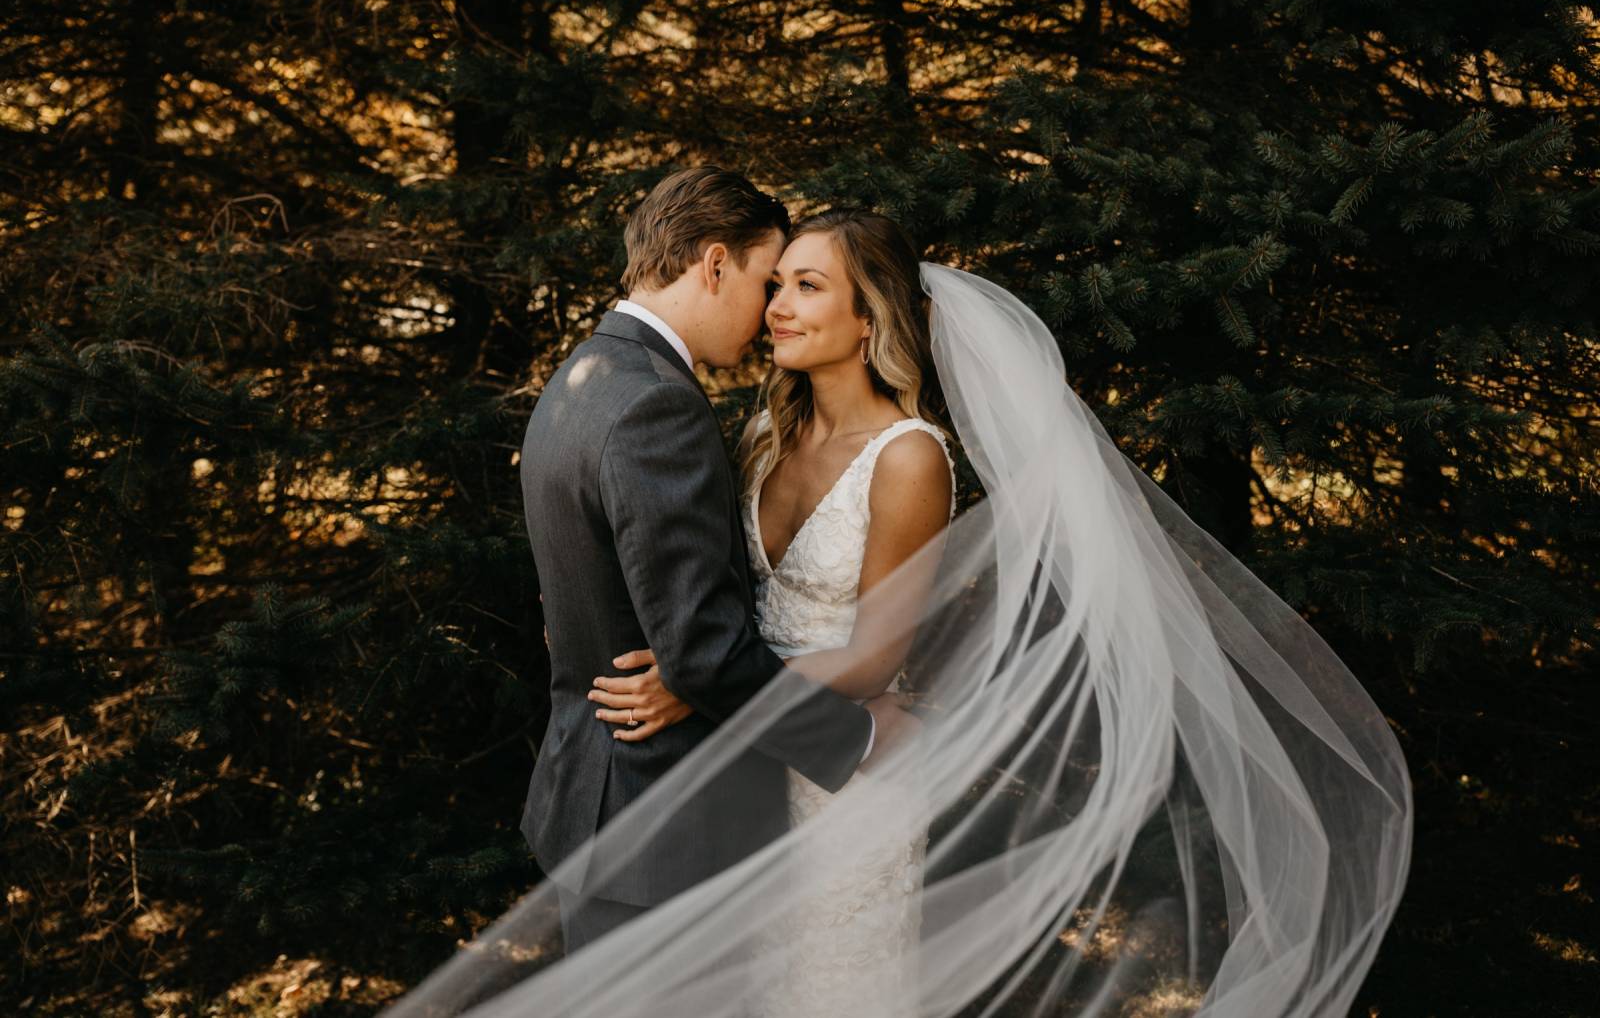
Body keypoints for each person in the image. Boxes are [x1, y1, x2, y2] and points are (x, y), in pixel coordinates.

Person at [382, 190, 1412, 1018]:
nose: (777, 305)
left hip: (831, 777)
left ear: (869, 314)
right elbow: (674, 587)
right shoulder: (756, 436)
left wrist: (699, 686)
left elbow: (873, 658)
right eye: (772, 282)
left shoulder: (909, 458)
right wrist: (688, 667)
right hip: (750, 766)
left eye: (805, 287)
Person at [511, 167, 918, 954]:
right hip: (665, 826)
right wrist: (860, 739)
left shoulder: (581, 380)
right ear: (716, 264)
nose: (771, 313)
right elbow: (700, 650)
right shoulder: (655, 403)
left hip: (598, 806)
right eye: (769, 282)